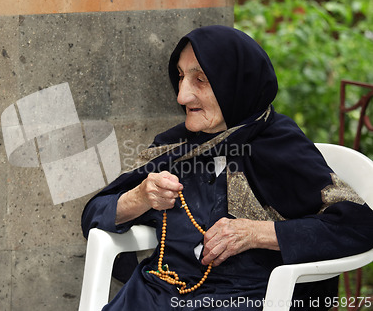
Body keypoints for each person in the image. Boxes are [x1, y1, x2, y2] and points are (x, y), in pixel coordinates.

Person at [81, 25, 373, 310]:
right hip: (155, 293)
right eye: (181, 77)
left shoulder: (280, 146)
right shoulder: (174, 146)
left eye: (200, 80)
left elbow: (358, 225)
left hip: (245, 298)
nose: (182, 96)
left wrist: (256, 233)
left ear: (236, 83)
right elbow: (94, 214)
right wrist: (140, 197)